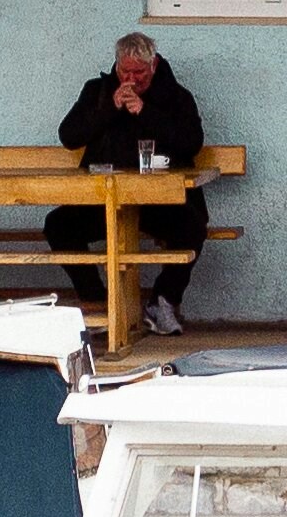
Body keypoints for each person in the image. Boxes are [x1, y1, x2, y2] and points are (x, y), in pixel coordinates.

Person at [50, 33, 205, 337]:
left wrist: (145, 112)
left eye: (140, 73)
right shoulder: (97, 91)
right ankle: (96, 302)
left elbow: (192, 143)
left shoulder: (176, 97)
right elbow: (69, 136)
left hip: (157, 201)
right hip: (104, 199)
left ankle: (164, 301)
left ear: (154, 64)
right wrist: (109, 108)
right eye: (125, 72)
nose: (132, 80)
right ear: (117, 66)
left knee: (193, 224)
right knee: (58, 225)